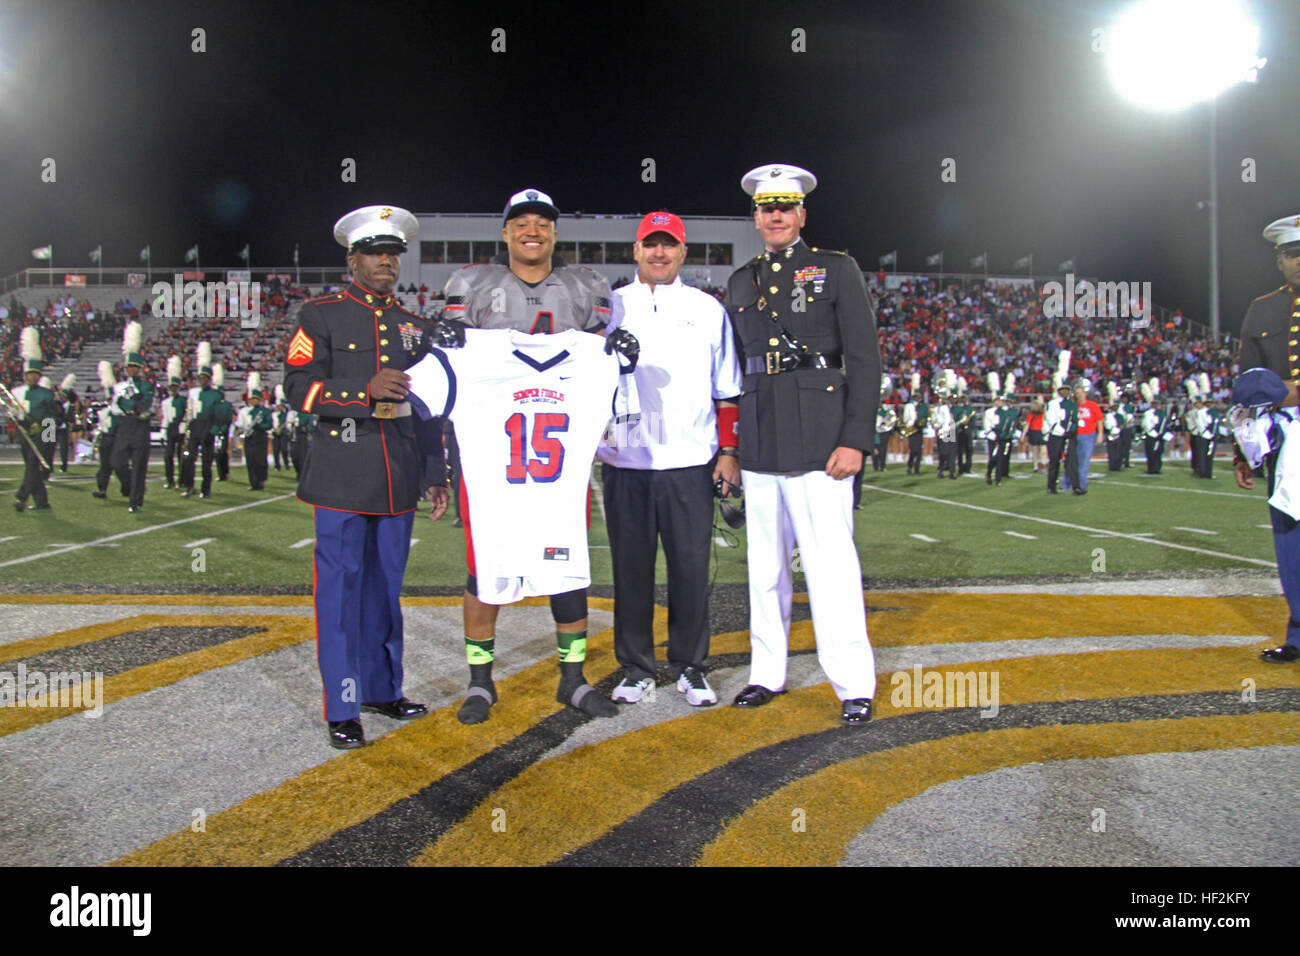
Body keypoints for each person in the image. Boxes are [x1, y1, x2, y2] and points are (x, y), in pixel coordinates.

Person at [438, 187, 621, 724]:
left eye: (542, 222)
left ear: (555, 233)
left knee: (565, 566)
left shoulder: (586, 286)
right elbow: (449, 369)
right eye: (521, 223)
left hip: (555, 455)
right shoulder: (471, 284)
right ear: (505, 232)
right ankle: (480, 682)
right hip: (493, 456)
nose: (532, 231)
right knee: (484, 567)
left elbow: (598, 363)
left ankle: (572, 679)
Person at [282, 204, 449, 749]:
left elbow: (428, 408)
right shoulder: (321, 314)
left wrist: (435, 473)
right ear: (352, 258)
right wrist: (361, 391)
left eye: (393, 253)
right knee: (340, 595)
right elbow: (297, 389)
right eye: (375, 252)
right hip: (340, 477)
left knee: (385, 593)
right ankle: (343, 705)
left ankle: (382, 689)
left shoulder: (413, 325)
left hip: (397, 478)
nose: (386, 262)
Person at [725, 163, 880, 725]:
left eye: (785, 206)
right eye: (767, 208)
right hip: (763, 437)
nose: (775, 215)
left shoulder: (835, 269)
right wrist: (734, 450)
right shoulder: (741, 281)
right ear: (757, 217)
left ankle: (853, 682)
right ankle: (767, 673)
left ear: (801, 214)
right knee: (764, 569)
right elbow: (736, 368)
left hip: (822, 440)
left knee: (830, 566)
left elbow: (864, 358)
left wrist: (856, 439)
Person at [593, 212, 742, 708]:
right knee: (631, 571)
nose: (659, 254)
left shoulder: (707, 308)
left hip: (689, 460)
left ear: (683, 252)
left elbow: (727, 388)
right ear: (635, 251)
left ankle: (691, 666)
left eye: (669, 245)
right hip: (626, 460)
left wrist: (728, 451)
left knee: (690, 569)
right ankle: (636, 667)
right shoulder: (608, 307)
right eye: (650, 245)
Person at [1234, 213, 1300, 663]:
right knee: (1290, 538)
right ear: (1280, 260)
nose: (1299, 261)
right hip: (1285, 438)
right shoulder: (1263, 308)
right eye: (1292, 254)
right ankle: (1298, 635)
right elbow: (1247, 380)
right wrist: (1243, 450)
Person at [11, 328, 57, 512]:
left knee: (32, 466)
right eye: (28, 373)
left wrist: (47, 436)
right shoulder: (17, 392)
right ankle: (42, 502)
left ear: (38, 376)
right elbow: (16, 415)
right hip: (25, 434)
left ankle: (21, 497)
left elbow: (53, 416)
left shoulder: (46, 393)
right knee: (32, 468)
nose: (31, 376)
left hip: (41, 434)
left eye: (34, 374)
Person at [112, 322, 154, 514]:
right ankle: (131, 488)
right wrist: (129, 403)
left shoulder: (146, 385)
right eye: (129, 367)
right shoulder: (119, 386)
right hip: (125, 425)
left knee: (139, 466)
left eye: (134, 367)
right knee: (118, 463)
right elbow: (117, 405)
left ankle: (135, 501)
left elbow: (143, 404)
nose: (131, 370)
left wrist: (127, 403)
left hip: (140, 426)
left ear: (139, 368)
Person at [180, 344, 221, 499]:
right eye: (200, 378)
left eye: (204, 378)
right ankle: (189, 486)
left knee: (206, 462)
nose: (202, 380)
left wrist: (214, 430)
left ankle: (206, 489)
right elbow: (189, 411)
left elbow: (219, 415)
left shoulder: (216, 395)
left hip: (208, 427)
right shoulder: (193, 392)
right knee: (189, 458)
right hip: (195, 426)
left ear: (209, 379)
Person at [239, 372, 272, 490]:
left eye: (256, 399)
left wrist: (259, 426)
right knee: (250, 461)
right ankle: (253, 483)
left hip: (260, 438)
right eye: (252, 399)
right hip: (249, 438)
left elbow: (269, 425)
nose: (253, 401)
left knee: (260, 461)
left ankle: (261, 481)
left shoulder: (265, 411)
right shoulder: (247, 412)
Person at [1044, 382, 1076, 494]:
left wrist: (1071, 430)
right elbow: (1051, 419)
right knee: (1054, 461)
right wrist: (1063, 432)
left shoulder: (1072, 404)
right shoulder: (1052, 404)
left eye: (1067, 390)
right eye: (1063, 390)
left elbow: (1074, 419)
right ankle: (1051, 486)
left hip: (1069, 435)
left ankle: (1070, 484)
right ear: (1058, 392)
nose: (1065, 392)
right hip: (1056, 436)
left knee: (1070, 461)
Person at [160, 356, 186, 489]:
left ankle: (182, 480)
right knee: (167, 456)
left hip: (180, 428)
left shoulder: (183, 400)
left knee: (181, 457)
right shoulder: (165, 402)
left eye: (175, 387)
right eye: (171, 387)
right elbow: (165, 417)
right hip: (171, 428)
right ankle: (170, 480)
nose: (173, 389)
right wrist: (163, 431)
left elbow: (186, 415)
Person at [1073, 380, 1101, 494]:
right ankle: (1074, 484)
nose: (1079, 395)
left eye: (1081, 392)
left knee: (1084, 462)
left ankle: (1082, 486)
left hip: (1088, 435)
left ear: (1085, 393)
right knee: (1074, 462)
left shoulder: (1092, 405)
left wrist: (1100, 434)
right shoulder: (1073, 406)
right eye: (1077, 393)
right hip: (1075, 436)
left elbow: (1099, 420)